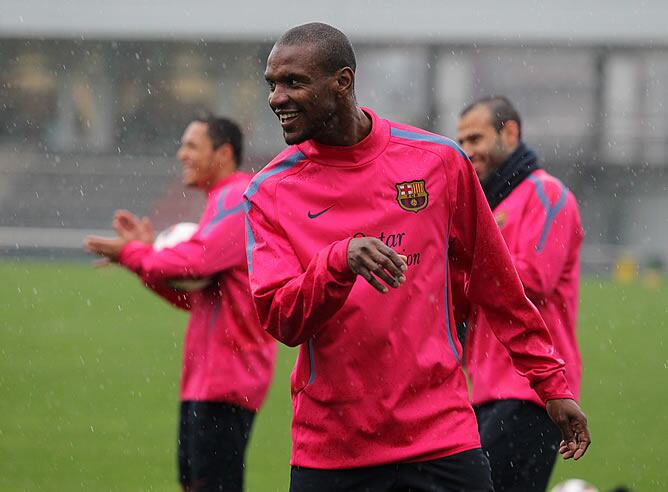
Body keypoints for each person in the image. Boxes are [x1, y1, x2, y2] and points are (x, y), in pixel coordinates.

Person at [244, 22, 590, 492]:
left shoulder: (439, 162)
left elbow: (498, 285)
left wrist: (550, 385)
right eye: (272, 85)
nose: (276, 98)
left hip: (441, 439)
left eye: (293, 82)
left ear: (343, 82)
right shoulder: (269, 192)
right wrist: (338, 261)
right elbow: (281, 320)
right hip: (334, 449)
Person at [84, 115, 276, 492]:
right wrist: (141, 262)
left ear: (222, 153)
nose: (181, 154)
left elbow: (196, 259)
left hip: (229, 380)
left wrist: (137, 254)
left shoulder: (239, 197)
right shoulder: (218, 201)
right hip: (206, 381)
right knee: (195, 484)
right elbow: (197, 296)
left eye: (191, 145)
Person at [457, 96, 584, 491]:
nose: (467, 151)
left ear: (509, 133)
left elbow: (532, 279)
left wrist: (461, 260)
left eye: (475, 138)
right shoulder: (487, 205)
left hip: (533, 390)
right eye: (460, 142)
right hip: (483, 389)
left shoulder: (548, 194)